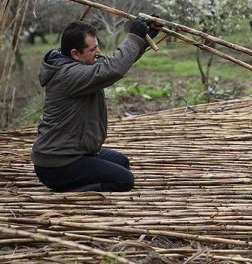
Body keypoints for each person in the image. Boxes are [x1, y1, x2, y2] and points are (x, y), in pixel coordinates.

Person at [31, 17, 159, 192]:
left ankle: (80, 179)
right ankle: (69, 191)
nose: (98, 52)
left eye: (97, 46)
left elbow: (113, 65)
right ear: (75, 53)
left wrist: (142, 40)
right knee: (124, 181)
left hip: (75, 152)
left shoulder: (78, 63)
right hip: (57, 163)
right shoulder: (68, 75)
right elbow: (112, 69)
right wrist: (133, 38)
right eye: (93, 49)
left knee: (122, 162)